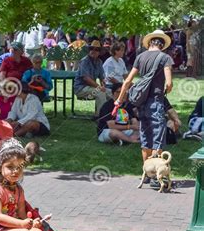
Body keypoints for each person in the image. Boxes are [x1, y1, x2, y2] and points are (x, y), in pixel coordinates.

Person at [115, 29, 173, 163]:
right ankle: (155, 175)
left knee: (146, 138)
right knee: (157, 139)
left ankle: (146, 172)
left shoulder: (140, 57)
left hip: (141, 102)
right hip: (156, 101)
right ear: (162, 44)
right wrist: (166, 89)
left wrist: (119, 99)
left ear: (150, 43)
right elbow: (169, 83)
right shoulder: (165, 58)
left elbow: (128, 81)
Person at [73, 40, 112, 117]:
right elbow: (86, 79)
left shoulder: (99, 62)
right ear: (89, 50)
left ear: (99, 52)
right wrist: (99, 87)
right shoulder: (84, 61)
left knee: (111, 93)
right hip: (81, 89)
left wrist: (103, 85)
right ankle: (101, 117)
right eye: (91, 49)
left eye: (96, 49)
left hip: (92, 88)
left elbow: (102, 78)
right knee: (100, 93)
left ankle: (111, 114)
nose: (93, 51)